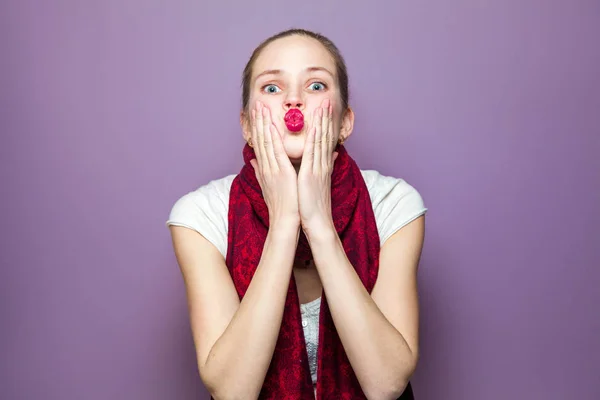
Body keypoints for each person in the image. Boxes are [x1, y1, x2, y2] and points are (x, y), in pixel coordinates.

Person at [166, 28, 427, 400]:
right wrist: (285, 221)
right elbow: (232, 390)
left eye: (316, 86)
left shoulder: (394, 203)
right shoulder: (200, 216)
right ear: (247, 126)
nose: (293, 100)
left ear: (345, 122)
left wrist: (319, 222)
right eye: (272, 88)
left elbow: (386, 384)